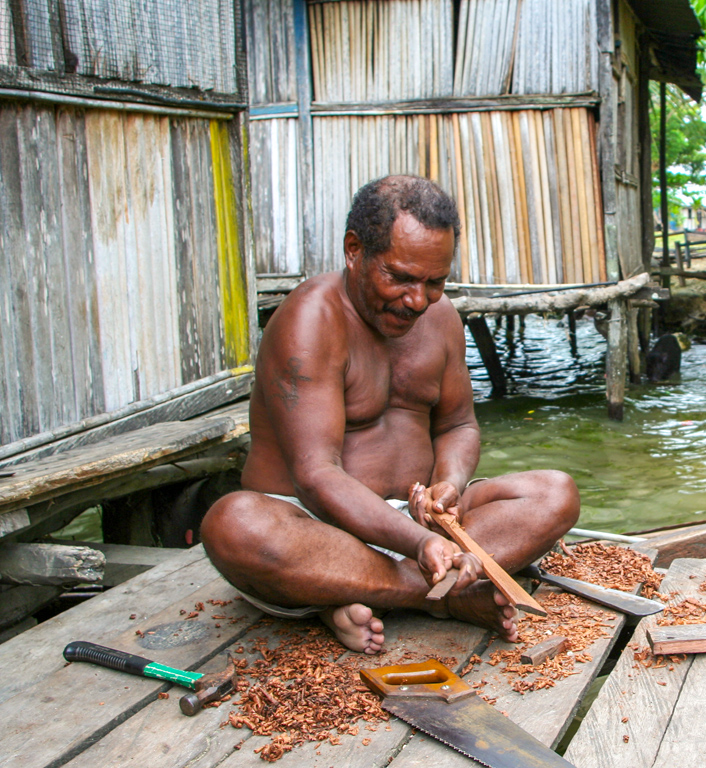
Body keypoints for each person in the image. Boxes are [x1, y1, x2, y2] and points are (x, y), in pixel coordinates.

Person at [201, 175, 580, 653]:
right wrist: (420, 547)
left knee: (555, 493)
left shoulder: (440, 320)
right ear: (354, 250)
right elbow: (316, 477)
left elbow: (458, 425)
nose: (417, 301)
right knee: (233, 525)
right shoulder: (311, 318)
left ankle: (356, 592)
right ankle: (438, 598)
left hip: (418, 526)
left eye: (435, 283)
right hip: (317, 531)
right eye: (399, 278)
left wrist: (450, 486)